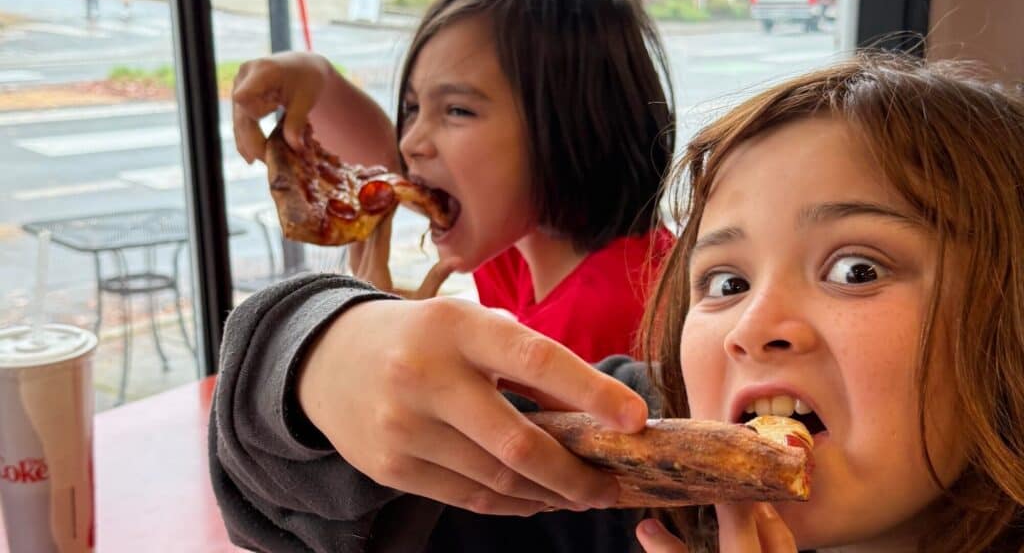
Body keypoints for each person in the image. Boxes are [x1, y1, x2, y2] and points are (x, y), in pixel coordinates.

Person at [211, 51, 1024, 552]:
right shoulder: (616, 480)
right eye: (727, 282)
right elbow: (296, 509)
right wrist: (322, 354)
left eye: (856, 270)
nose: (752, 328)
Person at [231, 0, 676, 363]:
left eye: (457, 110)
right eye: (412, 107)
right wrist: (316, 77)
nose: (410, 141)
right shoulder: (523, 243)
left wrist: (388, 343)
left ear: (572, 127)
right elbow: (389, 172)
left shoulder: (612, 315)